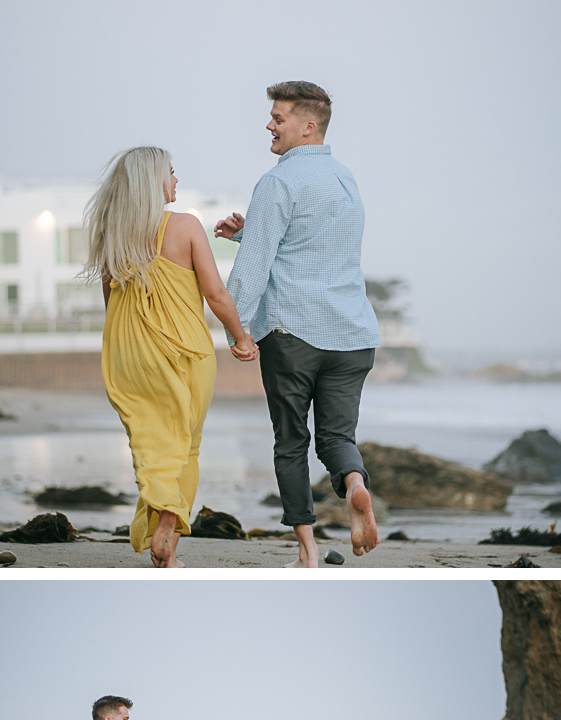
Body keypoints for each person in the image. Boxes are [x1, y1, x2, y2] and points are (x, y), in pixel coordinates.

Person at [215, 82, 381, 568]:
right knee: (337, 438)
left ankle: (308, 553)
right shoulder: (345, 180)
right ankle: (354, 485)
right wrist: (250, 229)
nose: (269, 125)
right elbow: (317, 243)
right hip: (352, 335)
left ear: (307, 126)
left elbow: (252, 270)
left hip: (293, 333)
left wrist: (237, 332)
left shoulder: (277, 182)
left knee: (291, 442)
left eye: (278, 118)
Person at [82, 147, 258, 568]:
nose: (176, 181)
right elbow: (215, 293)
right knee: (185, 445)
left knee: (150, 443)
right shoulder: (185, 227)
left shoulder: (113, 232)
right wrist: (242, 337)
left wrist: (129, 344)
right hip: (184, 350)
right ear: (152, 181)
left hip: (128, 353)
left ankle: (164, 554)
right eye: (172, 173)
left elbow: (110, 299)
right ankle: (168, 534)